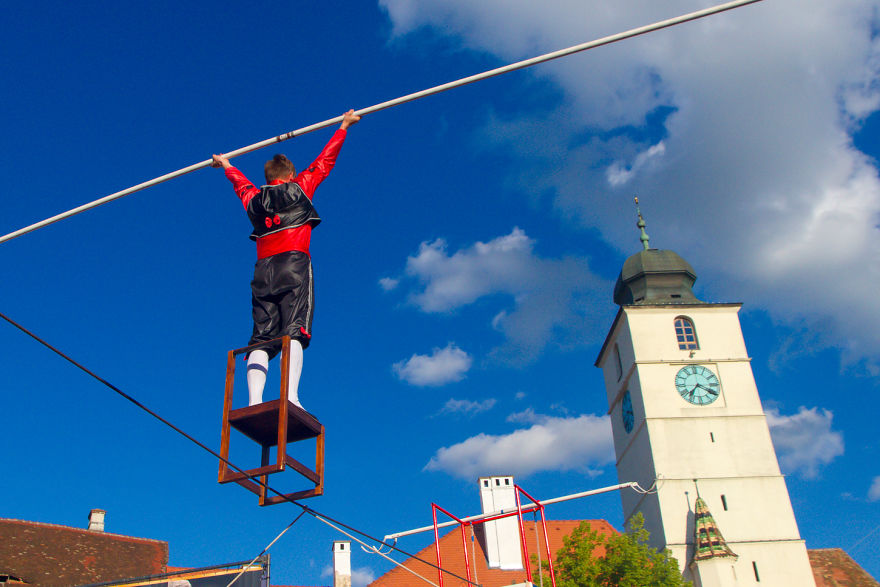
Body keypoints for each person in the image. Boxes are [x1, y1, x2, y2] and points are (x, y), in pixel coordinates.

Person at [212, 109, 361, 409]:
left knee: (261, 337)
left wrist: (226, 164)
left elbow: (241, 185)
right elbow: (323, 163)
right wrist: (343, 127)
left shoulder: (255, 199)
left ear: (268, 179)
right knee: (294, 329)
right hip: (293, 265)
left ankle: (253, 401)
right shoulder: (300, 187)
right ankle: (290, 396)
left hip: (263, 272)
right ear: (290, 176)